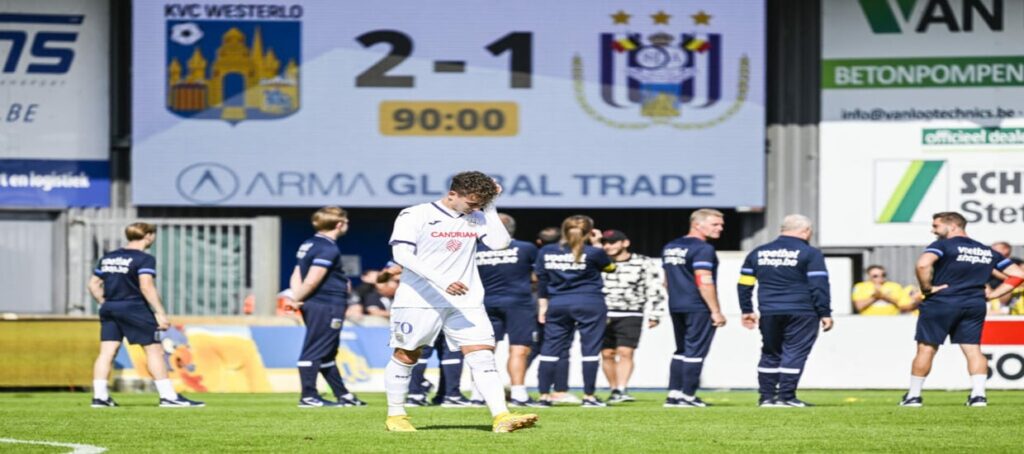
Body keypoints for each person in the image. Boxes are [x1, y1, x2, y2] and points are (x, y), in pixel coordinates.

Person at [383, 171, 537, 433]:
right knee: (407, 354)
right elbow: (402, 254)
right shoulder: (415, 214)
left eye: (480, 204)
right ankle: (396, 415)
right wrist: (442, 280)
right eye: (472, 203)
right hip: (419, 299)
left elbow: (500, 243)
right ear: (452, 194)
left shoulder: (477, 216)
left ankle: (501, 416)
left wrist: (490, 206)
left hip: (466, 300)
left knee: (482, 355)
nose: (474, 208)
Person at [900, 212, 1024, 407]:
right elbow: (1017, 274)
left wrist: (926, 288)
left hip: (942, 302)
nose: (933, 230)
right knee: (973, 349)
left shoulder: (943, 245)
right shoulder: (986, 250)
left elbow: (923, 264)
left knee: (926, 348)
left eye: (936, 226)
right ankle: (978, 396)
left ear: (952, 226)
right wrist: (994, 295)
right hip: (974, 304)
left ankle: (913, 396)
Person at [88, 222, 204, 408]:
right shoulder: (144, 259)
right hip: (134, 308)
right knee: (154, 350)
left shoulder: (108, 257)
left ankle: (99, 397)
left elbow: (93, 284)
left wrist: (105, 303)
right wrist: (160, 312)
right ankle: (168, 397)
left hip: (110, 307)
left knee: (107, 352)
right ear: (149, 236)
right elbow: (146, 286)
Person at [738, 214, 833, 408]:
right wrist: (825, 312)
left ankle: (766, 397)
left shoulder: (758, 252)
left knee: (770, 353)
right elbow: (819, 285)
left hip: (769, 311)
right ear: (806, 231)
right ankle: (786, 397)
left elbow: (744, 284)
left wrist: (746, 309)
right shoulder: (810, 253)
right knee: (795, 352)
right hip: (802, 310)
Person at [289, 206, 367, 408]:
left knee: (327, 351)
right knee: (314, 350)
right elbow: (312, 279)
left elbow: (297, 273)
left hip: (315, 303)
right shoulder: (328, 248)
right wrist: (296, 299)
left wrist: (297, 297)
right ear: (339, 224)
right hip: (327, 305)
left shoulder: (309, 243)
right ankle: (308, 396)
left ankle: (343, 395)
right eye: (346, 221)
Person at [536, 215, 615, 407]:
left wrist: (543, 306)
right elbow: (611, 267)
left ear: (563, 230)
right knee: (590, 350)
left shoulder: (547, 251)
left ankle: (544, 396)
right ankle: (589, 396)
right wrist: (597, 244)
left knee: (550, 349)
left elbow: (542, 279)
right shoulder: (594, 252)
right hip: (590, 303)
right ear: (589, 232)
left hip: (558, 303)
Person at [661, 209, 728, 408]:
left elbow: (666, 281)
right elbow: (704, 280)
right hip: (698, 306)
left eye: (721, 225)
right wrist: (715, 311)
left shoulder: (670, 246)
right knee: (696, 351)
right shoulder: (703, 249)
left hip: (676, 304)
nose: (720, 228)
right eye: (715, 224)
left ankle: (674, 394)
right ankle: (687, 396)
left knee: (681, 350)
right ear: (698, 224)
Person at [476, 213, 542, 407]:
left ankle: (478, 395)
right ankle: (519, 394)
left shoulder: (476, 249)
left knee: (483, 351)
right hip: (519, 304)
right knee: (519, 349)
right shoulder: (526, 248)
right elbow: (538, 276)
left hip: (485, 303)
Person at [599, 229, 665, 404]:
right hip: (603, 313)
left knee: (625, 351)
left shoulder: (643, 262)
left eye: (612, 242)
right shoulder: (599, 261)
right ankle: (614, 390)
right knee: (607, 353)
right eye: (605, 243)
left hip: (631, 312)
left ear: (625, 243)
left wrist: (656, 314)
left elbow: (655, 287)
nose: (608, 246)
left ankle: (621, 389)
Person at [530, 226, 576, 404]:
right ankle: (558, 391)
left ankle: (516, 387)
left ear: (539, 242)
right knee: (560, 348)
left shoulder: (533, 254)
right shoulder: (569, 255)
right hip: (553, 304)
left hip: (536, 305)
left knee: (533, 348)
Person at [986, 242, 1024, 314]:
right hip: (990, 290)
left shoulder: (1017, 262)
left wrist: (994, 271)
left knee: (1007, 287)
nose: (991, 251)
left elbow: (1019, 277)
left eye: (995, 249)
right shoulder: (989, 261)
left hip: (1007, 289)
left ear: (1006, 250)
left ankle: (1003, 309)